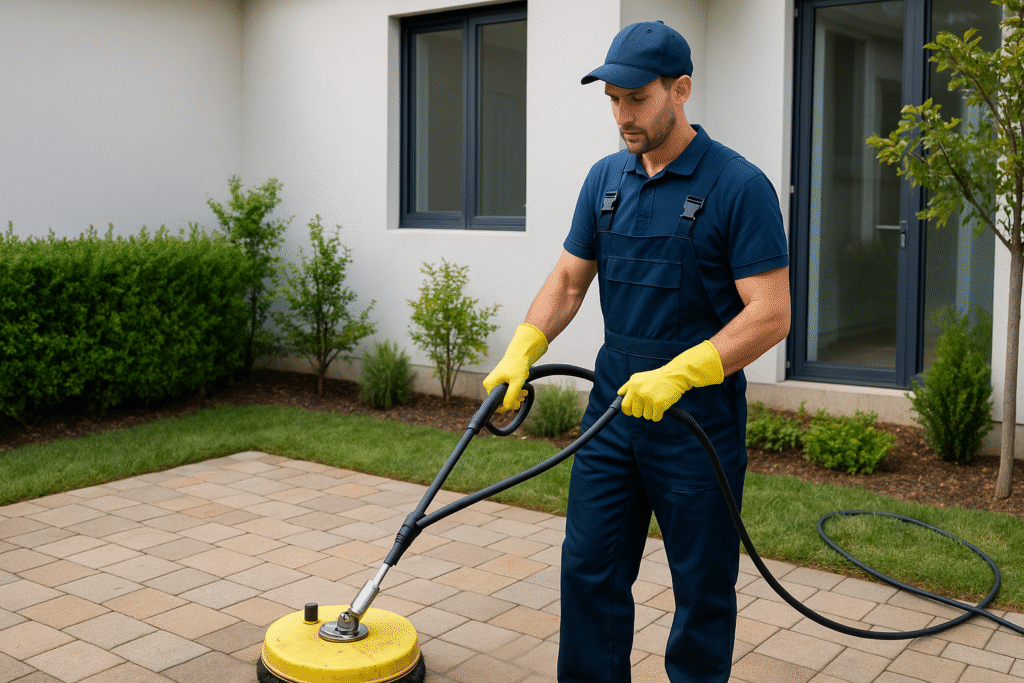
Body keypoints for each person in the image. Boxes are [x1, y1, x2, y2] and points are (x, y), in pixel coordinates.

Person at [483, 20, 790, 683]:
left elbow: (770, 314)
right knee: (589, 569)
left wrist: (683, 372)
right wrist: (521, 350)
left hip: (696, 421)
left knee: (702, 591)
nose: (623, 114)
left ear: (680, 90)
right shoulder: (605, 181)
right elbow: (568, 280)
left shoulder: (739, 186)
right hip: (613, 411)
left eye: (637, 98)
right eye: (613, 100)